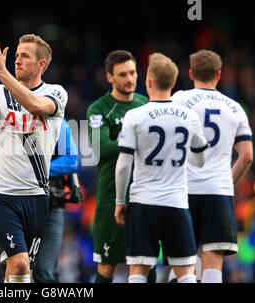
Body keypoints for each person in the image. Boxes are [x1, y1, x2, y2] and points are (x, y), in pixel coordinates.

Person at [0, 35, 67, 283]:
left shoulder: (55, 92)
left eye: (25, 56)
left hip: (36, 195)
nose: (17, 60)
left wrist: (1, 73)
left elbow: (35, 106)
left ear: (42, 64)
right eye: (17, 55)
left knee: (19, 268)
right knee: (20, 264)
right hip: (2, 194)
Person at [114, 53, 208, 283]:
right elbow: (201, 160)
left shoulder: (134, 115)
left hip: (143, 202)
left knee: (138, 270)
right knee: (186, 271)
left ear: (148, 82)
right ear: (173, 83)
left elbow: (124, 164)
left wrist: (119, 202)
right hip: (176, 202)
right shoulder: (190, 116)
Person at [168, 50, 253, 283]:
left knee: (184, 259)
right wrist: (227, 182)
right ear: (219, 74)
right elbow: (246, 156)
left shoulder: (178, 101)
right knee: (213, 261)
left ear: (191, 73)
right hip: (218, 190)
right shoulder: (236, 108)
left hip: (183, 189)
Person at [0, 118, 80, 282]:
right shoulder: (8, 120)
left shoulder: (57, 122)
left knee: (44, 272)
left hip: (50, 205)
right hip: (12, 205)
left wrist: (28, 170)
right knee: (12, 266)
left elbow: (71, 160)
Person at [86, 50, 153, 283]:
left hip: (145, 194)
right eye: (123, 74)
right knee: (107, 266)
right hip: (111, 195)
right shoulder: (98, 108)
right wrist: (137, 144)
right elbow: (100, 148)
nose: (130, 79)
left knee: (147, 262)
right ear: (109, 77)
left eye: (133, 72)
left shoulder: (146, 105)